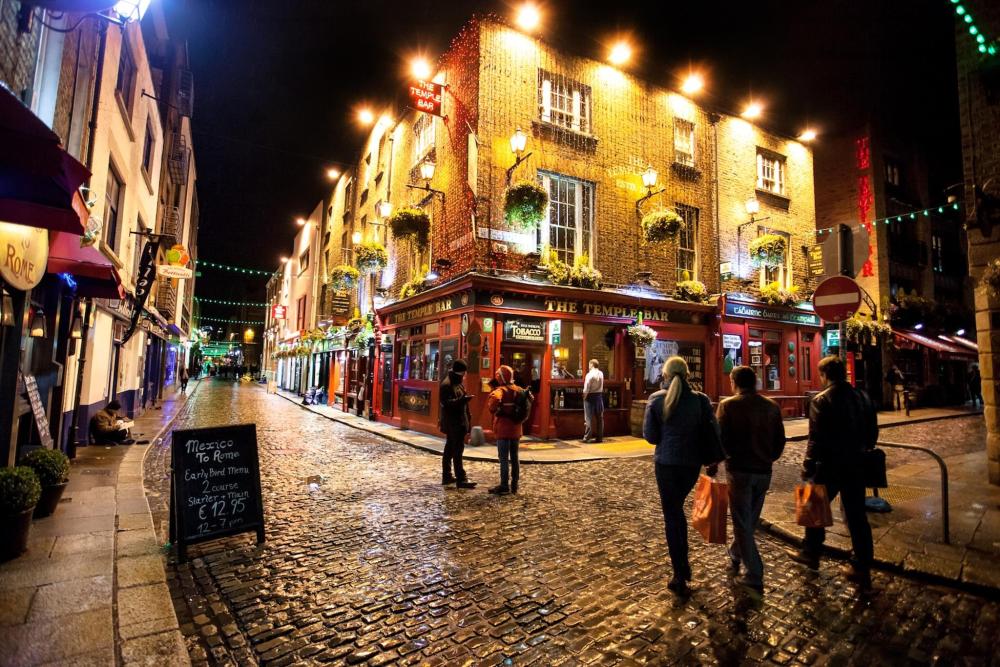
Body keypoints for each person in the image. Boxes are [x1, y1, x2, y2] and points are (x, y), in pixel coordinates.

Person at [792, 356, 876, 588]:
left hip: (829, 464)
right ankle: (861, 563)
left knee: (813, 508)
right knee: (856, 514)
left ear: (825, 375)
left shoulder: (822, 399)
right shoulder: (863, 397)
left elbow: (815, 438)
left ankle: (811, 552)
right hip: (856, 463)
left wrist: (808, 465)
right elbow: (872, 432)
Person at [643, 356, 723, 595]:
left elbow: (651, 436)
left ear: (665, 376)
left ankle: (680, 571)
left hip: (666, 464)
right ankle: (682, 567)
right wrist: (712, 461)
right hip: (690, 464)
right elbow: (712, 432)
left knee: (673, 514)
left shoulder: (656, 400)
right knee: (677, 511)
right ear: (687, 375)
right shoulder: (700, 400)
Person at [711, 366, 786, 595]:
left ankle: (754, 572)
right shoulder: (771, 406)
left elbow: (719, 438)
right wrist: (767, 457)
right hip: (764, 471)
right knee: (751, 518)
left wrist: (715, 461)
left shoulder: (728, 405)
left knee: (742, 521)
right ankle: (736, 552)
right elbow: (780, 441)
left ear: (734, 382)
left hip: (740, 470)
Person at [487, 365, 525, 495]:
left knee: (503, 458)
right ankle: (514, 484)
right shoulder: (519, 389)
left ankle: (504, 485)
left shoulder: (501, 390)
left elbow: (494, 402)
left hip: (503, 428)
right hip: (516, 428)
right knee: (515, 457)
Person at [439, 359, 476, 489]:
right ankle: (461, 479)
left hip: (458, 422)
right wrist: (462, 400)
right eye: (464, 372)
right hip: (454, 423)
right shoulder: (447, 384)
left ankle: (447, 475)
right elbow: (446, 404)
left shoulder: (457, 383)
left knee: (449, 449)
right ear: (461, 372)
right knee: (457, 451)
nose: (465, 375)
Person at [582, 359, 604, 443]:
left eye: (589, 364)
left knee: (588, 418)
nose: (588, 366)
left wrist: (584, 396)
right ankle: (600, 437)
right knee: (600, 418)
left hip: (590, 397)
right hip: (599, 397)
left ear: (592, 365)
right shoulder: (601, 374)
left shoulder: (589, 374)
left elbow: (586, 388)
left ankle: (587, 437)